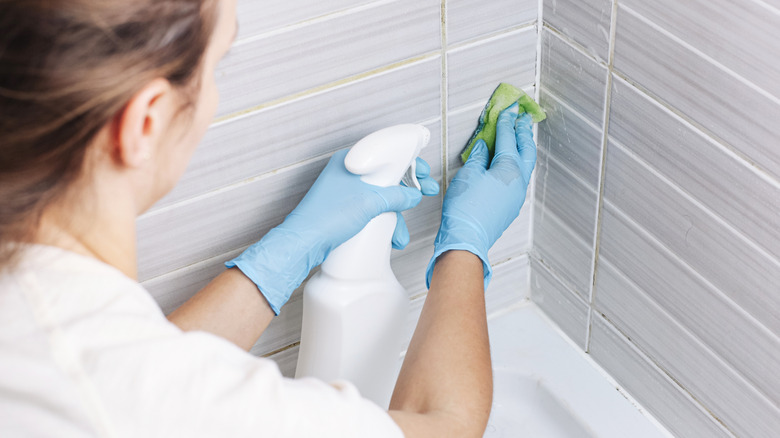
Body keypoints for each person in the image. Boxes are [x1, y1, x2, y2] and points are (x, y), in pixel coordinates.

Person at [0, 0, 537, 436]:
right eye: (218, 66)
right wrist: (464, 246)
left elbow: (123, 364)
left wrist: (287, 250)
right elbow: (443, 427)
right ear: (146, 122)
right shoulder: (128, 401)